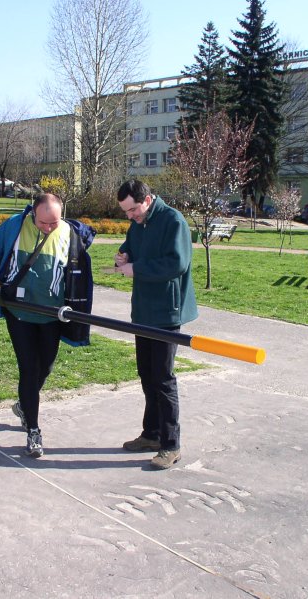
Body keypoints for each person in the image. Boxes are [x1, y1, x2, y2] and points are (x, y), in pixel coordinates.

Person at [0, 193, 94, 458]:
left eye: (54, 222)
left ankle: (25, 404)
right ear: (34, 213)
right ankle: (33, 430)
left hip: (52, 314)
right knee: (29, 368)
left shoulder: (70, 233)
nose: (48, 227)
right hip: (19, 312)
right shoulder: (14, 226)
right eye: (43, 222)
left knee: (45, 367)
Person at [115, 180, 198, 470]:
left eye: (133, 210)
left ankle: (171, 445)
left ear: (148, 200)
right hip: (143, 311)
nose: (130, 216)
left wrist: (135, 268)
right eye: (126, 212)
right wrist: (124, 256)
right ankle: (151, 434)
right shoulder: (138, 222)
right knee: (146, 374)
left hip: (166, 312)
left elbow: (176, 264)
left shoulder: (173, 221)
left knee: (163, 379)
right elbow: (131, 247)